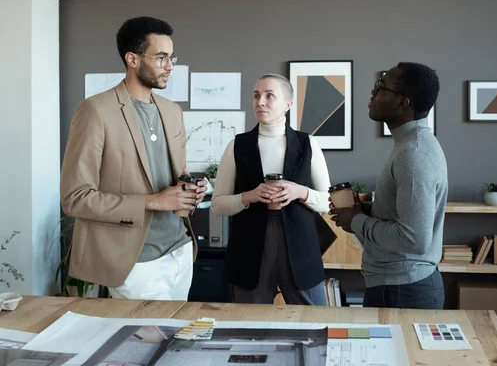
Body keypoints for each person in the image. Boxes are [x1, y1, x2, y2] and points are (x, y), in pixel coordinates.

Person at [60, 16, 207, 300]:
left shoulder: (172, 111)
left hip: (180, 250)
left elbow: (177, 174)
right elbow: (75, 198)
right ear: (132, 59)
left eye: (171, 57)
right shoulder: (95, 111)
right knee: (145, 343)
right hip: (134, 262)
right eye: (161, 58)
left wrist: (191, 190)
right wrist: (153, 201)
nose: (170, 66)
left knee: (176, 342)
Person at [330, 62, 448, 309]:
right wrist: (367, 210)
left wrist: (356, 221)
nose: (373, 93)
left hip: (402, 291)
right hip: (399, 286)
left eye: (380, 86)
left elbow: (413, 239)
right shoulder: (409, 145)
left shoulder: (413, 155)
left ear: (402, 103)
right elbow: (402, 214)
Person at [211, 74, 331, 305]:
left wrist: (300, 192)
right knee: (248, 324)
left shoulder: (308, 144)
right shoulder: (237, 145)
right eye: (256, 96)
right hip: (248, 249)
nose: (260, 102)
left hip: (300, 247)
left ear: (288, 104)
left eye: (269, 96)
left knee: (312, 323)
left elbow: (328, 202)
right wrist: (249, 196)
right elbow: (217, 205)